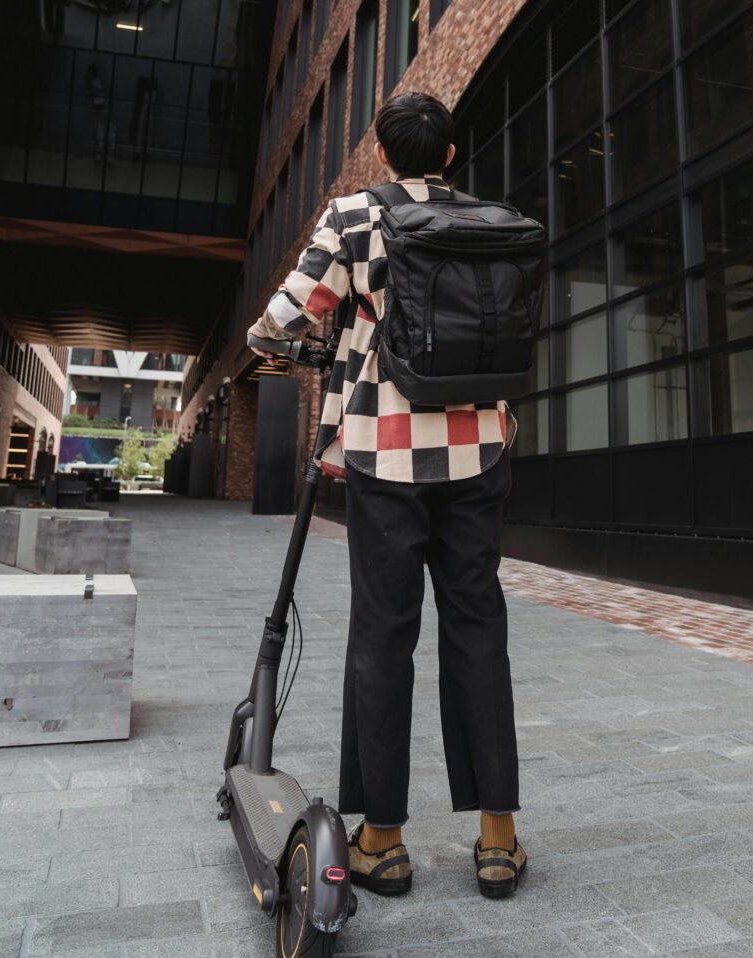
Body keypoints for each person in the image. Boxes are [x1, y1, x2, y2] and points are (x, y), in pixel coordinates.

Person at [249, 92, 525, 899]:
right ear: (448, 155)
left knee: (382, 637)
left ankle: (381, 840)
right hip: (478, 451)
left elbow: (280, 319)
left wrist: (293, 342)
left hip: (383, 454)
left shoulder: (353, 217)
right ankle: (498, 839)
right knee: (477, 628)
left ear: (383, 154)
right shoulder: (492, 220)